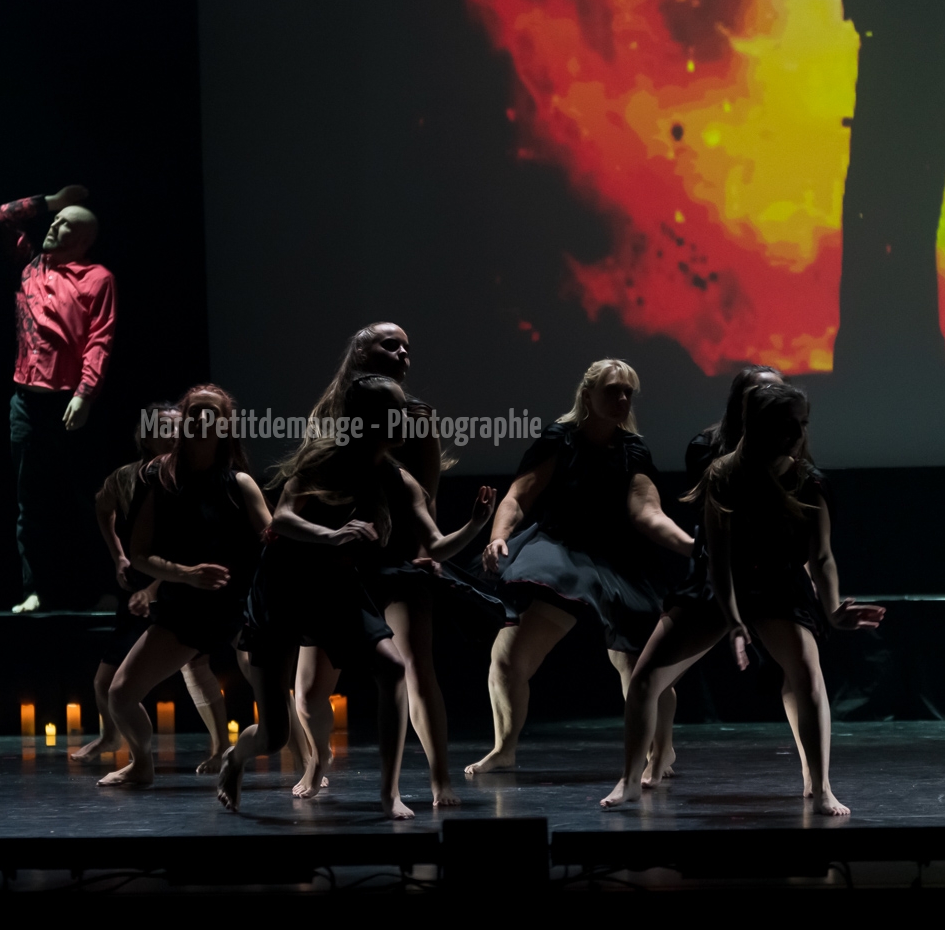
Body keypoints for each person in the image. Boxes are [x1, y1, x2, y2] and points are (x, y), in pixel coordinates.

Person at [601, 383, 886, 814]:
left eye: (802, 424)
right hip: (719, 583)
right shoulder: (724, 474)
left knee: (807, 677)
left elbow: (822, 556)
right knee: (644, 678)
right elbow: (718, 558)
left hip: (778, 585)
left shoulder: (810, 482)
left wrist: (832, 610)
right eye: (786, 424)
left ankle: (821, 785)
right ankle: (629, 780)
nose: (797, 433)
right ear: (759, 426)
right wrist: (733, 621)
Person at [220, 375, 496, 819]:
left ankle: (389, 793)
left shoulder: (397, 478)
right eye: (393, 410)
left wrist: (475, 525)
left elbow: (436, 544)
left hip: (334, 589)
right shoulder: (323, 460)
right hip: (284, 587)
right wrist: (331, 536)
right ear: (365, 419)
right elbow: (282, 519)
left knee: (392, 667)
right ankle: (235, 759)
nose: (404, 417)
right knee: (274, 735)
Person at [281, 323, 505, 807]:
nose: (403, 353)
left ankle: (439, 778)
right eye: (391, 345)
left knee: (415, 668)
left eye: (407, 347)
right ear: (362, 352)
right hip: (339, 558)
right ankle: (317, 760)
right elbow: (301, 493)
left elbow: (425, 494)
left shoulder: (414, 418)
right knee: (310, 688)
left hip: (400, 556)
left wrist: (431, 550)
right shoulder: (331, 414)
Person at [469, 359, 693, 777]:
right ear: (587, 395)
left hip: (618, 561)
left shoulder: (632, 450)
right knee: (508, 657)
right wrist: (498, 536)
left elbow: (647, 512)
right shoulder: (560, 439)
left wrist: (693, 547)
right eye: (612, 390)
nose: (622, 398)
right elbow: (518, 497)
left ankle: (660, 753)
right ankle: (504, 749)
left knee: (639, 665)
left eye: (628, 392)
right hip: (563, 553)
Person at [97, 386, 271, 787]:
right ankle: (141, 763)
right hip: (186, 611)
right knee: (120, 694)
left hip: (239, 607)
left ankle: (310, 762)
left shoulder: (240, 483)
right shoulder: (160, 481)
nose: (202, 421)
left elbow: (274, 542)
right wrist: (186, 573)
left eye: (212, 414)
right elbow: (140, 554)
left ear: (225, 425)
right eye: (195, 413)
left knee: (269, 690)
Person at [834, 0, 945, 379]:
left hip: (905, 61)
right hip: (903, 63)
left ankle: (897, 346)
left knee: (906, 206)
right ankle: (896, 349)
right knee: (899, 206)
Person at [72, 403, 231, 772]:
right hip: (143, 584)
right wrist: (118, 556)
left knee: (197, 666)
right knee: (106, 681)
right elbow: (103, 508)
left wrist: (156, 586)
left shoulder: (191, 477)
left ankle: (221, 746)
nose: (174, 435)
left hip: (182, 586)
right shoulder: (129, 477)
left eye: (179, 428)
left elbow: (192, 546)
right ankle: (115, 738)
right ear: (146, 437)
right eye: (165, 428)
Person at [0, 184, 116, 612]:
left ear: (82, 240)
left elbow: (99, 340)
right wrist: (53, 201)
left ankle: (107, 589)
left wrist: (85, 394)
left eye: (65, 223)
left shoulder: (97, 278)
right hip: (26, 404)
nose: (53, 225)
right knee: (30, 504)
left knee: (87, 499)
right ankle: (35, 590)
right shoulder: (30, 266)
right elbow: (5, 215)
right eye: (55, 220)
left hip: (68, 403)